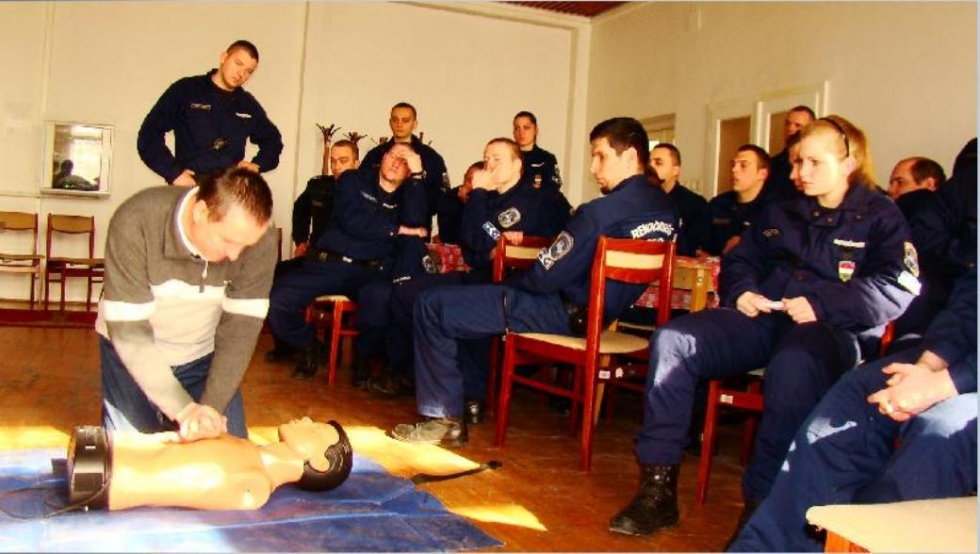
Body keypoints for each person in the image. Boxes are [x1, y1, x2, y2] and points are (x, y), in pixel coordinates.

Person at [608, 116, 919, 538]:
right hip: (764, 318)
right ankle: (657, 490)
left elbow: (896, 287)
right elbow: (740, 260)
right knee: (674, 340)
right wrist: (742, 291)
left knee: (793, 366)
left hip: (830, 332)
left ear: (848, 164)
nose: (800, 173)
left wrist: (822, 304)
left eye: (814, 163)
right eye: (798, 162)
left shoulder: (881, 215)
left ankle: (762, 508)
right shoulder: (782, 209)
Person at [388, 117, 679, 447]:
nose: (593, 167)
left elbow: (544, 277)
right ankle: (468, 398)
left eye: (601, 156)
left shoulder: (600, 212)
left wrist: (506, 286)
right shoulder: (666, 210)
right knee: (465, 301)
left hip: (560, 311)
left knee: (432, 304)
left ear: (630, 157)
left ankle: (444, 421)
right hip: (600, 315)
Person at [729, 268, 976, 552]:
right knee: (856, 397)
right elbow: (970, 304)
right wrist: (927, 367)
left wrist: (941, 385)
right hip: (960, 360)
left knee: (939, 432)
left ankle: (872, 541)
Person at [366, 138, 572, 412]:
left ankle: (462, 388)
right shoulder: (488, 197)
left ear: (517, 165)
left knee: (446, 306)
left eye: (497, 159)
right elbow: (470, 245)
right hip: (478, 274)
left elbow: (481, 242)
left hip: (508, 286)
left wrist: (479, 200)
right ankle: (416, 370)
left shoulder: (530, 200)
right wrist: (480, 209)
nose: (489, 165)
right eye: (486, 159)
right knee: (405, 294)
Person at [98, 167, 278, 441]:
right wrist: (183, 410)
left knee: (227, 455)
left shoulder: (260, 236)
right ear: (201, 212)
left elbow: (241, 329)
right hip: (130, 355)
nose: (235, 255)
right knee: (134, 458)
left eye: (246, 246)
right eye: (227, 240)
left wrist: (210, 408)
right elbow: (130, 332)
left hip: (201, 357)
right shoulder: (136, 221)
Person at [267, 142, 428, 380]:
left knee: (381, 302)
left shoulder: (409, 193)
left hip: (370, 273)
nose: (396, 163)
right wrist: (397, 229)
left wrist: (417, 176)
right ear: (383, 157)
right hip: (329, 266)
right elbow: (353, 221)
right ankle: (310, 345)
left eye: (405, 161)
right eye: (393, 156)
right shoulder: (352, 180)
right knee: (278, 300)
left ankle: (362, 358)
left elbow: (416, 222)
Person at [66, 417, 353, 511]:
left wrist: (109, 476)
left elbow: (173, 484)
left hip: (107, 475)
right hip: (107, 452)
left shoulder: (253, 487)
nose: (306, 419)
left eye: (316, 430)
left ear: (319, 463)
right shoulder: (245, 446)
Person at [265, 138, 361, 364]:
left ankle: (311, 346)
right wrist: (300, 240)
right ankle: (287, 344)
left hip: (342, 264)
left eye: (343, 161)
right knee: (269, 277)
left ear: (356, 163)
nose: (336, 166)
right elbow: (300, 209)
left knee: (284, 292)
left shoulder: (365, 192)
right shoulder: (319, 185)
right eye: (333, 161)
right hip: (313, 257)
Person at [137, 40, 283, 186]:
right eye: (238, 63)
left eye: (249, 71)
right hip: (190, 186)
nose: (241, 74)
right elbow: (148, 135)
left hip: (229, 190)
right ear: (224, 57)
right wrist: (174, 173)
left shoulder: (247, 104)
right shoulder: (186, 90)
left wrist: (256, 165)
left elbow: (273, 141)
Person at [360, 102, 449, 233]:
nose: (399, 124)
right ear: (390, 122)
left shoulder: (431, 158)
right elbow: (360, 189)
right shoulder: (376, 155)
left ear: (415, 124)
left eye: (405, 120)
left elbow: (442, 198)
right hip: (379, 226)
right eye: (395, 120)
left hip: (416, 227)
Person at [691, 144, 771, 257]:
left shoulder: (774, 209)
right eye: (733, 165)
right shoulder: (718, 204)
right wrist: (699, 254)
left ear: (762, 174)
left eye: (743, 165)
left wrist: (747, 243)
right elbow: (692, 241)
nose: (734, 170)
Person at [649, 143, 706, 256]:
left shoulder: (694, 204)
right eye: (649, 162)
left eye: (658, 163)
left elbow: (695, 248)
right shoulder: (641, 200)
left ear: (675, 170)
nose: (650, 167)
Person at [765, 105, 815, 201]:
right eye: (787, 123)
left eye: (798, 125)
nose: (790, 128)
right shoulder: (772, 164)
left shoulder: (817, 163)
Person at [435, 161, 482, 246]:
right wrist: (466, 205)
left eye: (478, 183)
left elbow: (494, 234)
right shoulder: (449, 198)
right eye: (469, 181)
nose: (472, 187)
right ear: (464, 177)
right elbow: (447, 236)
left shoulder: (492, 199)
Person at [513, 111, 562, 190]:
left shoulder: (546, 158)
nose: (521, 132)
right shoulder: (506, 157)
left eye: (526, 127)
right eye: (517, 128)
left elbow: (553, 187)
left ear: (536, 130)